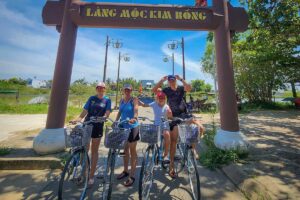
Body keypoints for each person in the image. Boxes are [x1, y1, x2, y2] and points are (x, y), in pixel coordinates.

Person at [152, 75, 205, 178]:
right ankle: (171, 165)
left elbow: (189, 88)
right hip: (173, 117)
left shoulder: (181, 88)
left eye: (173, 80)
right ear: (168, 81)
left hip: (183, 114)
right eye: (169, 80)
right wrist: (161, 80)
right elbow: (154, 90)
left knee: (195, 128)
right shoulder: (166, 90)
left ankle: (193, 149)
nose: (171, 82)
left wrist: (181, 79)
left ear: (175, 80)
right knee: (174, 141)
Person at [71, 82, 111, 187]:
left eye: (102, 88)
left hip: (98, 126)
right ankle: (84, 174)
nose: (100, 89)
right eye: (98, 87)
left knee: (94, 151)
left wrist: (104, 117)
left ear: (105, 89)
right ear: (96, 89)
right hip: (87, 124)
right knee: (85, 150)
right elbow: (85, 110)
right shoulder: (91, 98)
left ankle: (91, 176)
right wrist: (78, 119)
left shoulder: (107, 100)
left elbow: (107, 111)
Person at [115, 84, 139, 187]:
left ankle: (132, 175)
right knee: (125, 150)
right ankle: (125, 171)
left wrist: (135, 117)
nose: (127, 91)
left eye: (129, 90)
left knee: (132, 151)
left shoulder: (134, 99)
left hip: (132, 127)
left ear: (131, 90)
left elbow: (136, 110)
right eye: (126, 90)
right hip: (123, 127)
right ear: (123, 90)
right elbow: (119, 112)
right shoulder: (121, 100)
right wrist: (115, 121)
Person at [139, 91, 173, 163]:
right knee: (150, 135)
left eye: (162, 98)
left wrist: (170, 114)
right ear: (157, 98)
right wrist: (138, 101)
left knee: (167, 135)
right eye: (159, 98)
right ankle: (152, 148)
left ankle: (166, 155)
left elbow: (170, 116)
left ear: (165, 99)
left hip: (164, 126)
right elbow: (145, 105)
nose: (161, 99)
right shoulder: (154, 104)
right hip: (156, 126)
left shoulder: (167, 107)